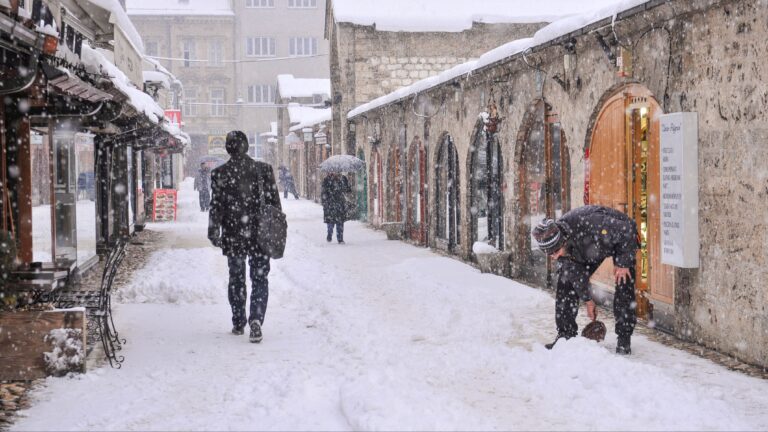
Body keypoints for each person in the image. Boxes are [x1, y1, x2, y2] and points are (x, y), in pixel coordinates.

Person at [532, 205, 639, 355]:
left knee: (624, 282)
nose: (555, 256)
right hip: (588, 249)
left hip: (619, 242)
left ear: (563, 240)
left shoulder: (593, 222)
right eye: (550, 254)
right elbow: (576, 275)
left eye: (556, 251)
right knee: (566, 281)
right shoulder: (564, 249)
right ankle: (565, 336)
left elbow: (627, 229)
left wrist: (623, 263)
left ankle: (624, 337)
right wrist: (588, 300)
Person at [208, 131, 281, 343]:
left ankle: (238, 321)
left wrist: (214, 231)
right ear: (247, 147)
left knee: (236, 278)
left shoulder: (220, 174)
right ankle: (256, 318)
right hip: (260, 234)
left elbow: (216, 207)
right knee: (259, 277)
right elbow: (274, 205)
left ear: (228, 149)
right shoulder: (263, 170)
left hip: (233, 234)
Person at [321, 172, 351, 244]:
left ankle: (340, 238)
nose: (335, 173)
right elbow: (323, 192)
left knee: (340, 222)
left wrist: (346, 187)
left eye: (337, 171)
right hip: (330, 204)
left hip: (340, 204)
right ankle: (329, 234)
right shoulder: (327, 180)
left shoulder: (343, 179)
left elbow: (348, 190)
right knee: (330, 223)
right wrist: (325, 202)